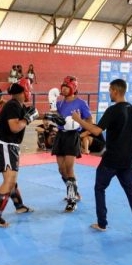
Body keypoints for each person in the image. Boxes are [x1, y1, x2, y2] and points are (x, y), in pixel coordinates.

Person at [72, 78, 132, 236]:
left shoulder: (113, 110)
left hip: (111, 159)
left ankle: (102, 223)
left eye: (110, 91)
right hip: (127, 160)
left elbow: (96, 131)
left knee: (99, 188)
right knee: (131, 192)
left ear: (115, 90)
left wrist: (78, 120)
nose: (109, 94)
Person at [0, 82, 37, 227]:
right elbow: (15, 127)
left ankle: (19, 206)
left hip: (10, 146)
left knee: (11, 180)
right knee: (9, 181)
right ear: (24, 91)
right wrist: (28, 119)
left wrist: (49, 117)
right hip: (5, 146)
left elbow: (27, 117)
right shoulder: (12, 106)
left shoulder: (19, 106)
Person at [49, 76, 92, 212]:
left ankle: (72, 200)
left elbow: (89, 121)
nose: (63, 89)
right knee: (61, 169)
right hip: (60, 135)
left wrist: (81, 132)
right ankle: (75, 192)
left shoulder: (81, 103)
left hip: (72, 136)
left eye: (66, 87)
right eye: (63, 86)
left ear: (73, 88)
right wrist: (52, 106)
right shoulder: (59, 104)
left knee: (69, 169)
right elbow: (55, 118)